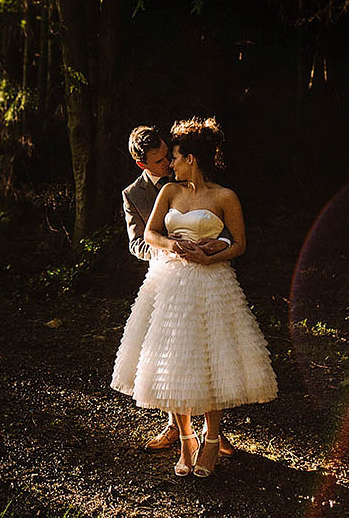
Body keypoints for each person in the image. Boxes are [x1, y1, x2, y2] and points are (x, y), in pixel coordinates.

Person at [112, 117, 277, 478]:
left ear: (191, 158)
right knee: (176, 359)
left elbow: (240, 244)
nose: (170, 163)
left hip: (211, 285)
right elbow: (152, 234)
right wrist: (173, 245)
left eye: (174, 156)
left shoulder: (224, 196)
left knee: (210, 360)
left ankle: (213, 440)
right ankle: (186, 438)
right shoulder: (169, 192)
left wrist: (211, 255)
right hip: (171, 283)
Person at [122, 126, 235, 457]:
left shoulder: (190, 176)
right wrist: (170, 250)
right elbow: (137, 243)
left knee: (205, 347)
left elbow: (225, 225)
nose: (167, 164)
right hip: (166, 276)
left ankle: (210, 430)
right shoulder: (134, 194)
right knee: (169, 353)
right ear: (143, 165)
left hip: (205, 272)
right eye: (159, 161)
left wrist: (217, 245)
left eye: (166, 155)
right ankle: (176, 427)